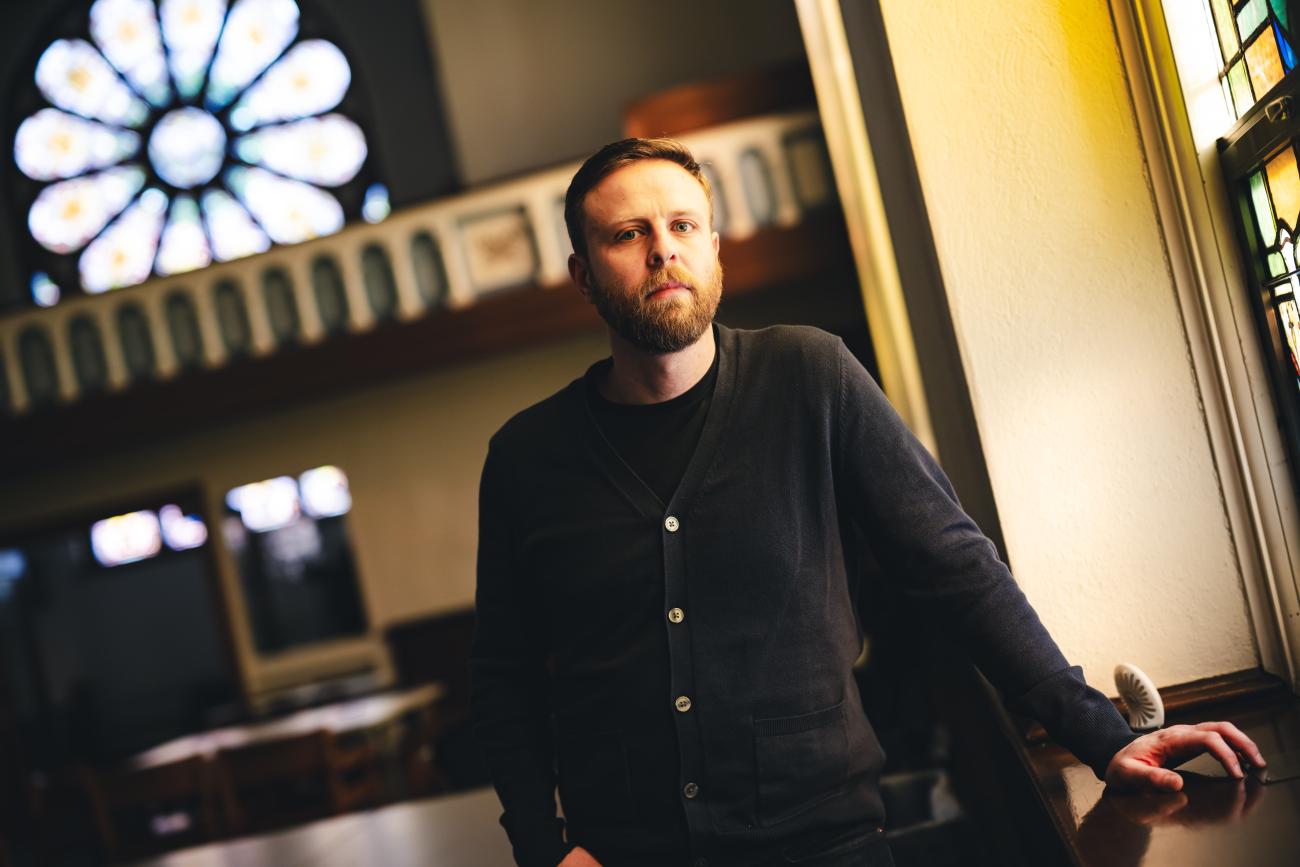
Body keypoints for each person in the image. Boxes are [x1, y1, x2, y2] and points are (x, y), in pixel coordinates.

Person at [470, 138, 1266, 867]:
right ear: (583, 275)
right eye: (628, 234)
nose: (662, 250)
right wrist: (543, 849)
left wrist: (1101, 735)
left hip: (828, 846)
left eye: (683, 225)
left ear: (715, 249)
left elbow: (956, 566)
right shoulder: (525, 458)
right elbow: (505, 679)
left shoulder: (810, 377)